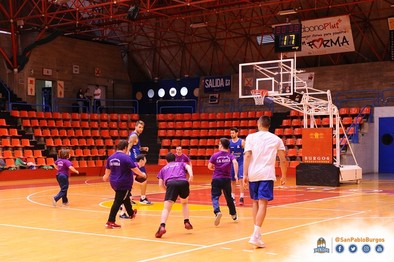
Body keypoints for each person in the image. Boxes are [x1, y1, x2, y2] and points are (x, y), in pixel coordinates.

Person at [243, 116, 287, 248]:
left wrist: (244, 174)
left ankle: (257, 234)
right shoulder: (276, 139)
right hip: (266, 174)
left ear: (258, 124)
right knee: (263, 203)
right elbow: (282, 159)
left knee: (255, 202)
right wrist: (284, 175)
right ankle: (256, 235)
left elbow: (247, 155)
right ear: (269, 125)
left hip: (253, 173)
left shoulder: (250, 137)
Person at [102, 140, 146, 229]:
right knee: (118, 201)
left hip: (114, 182)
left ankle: (131, 213)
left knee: (125, 197)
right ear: (125, 148)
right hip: (124, 183)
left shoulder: (111, 158)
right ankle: (110, 221)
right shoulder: (126, 158)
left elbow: (107, 170)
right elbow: (134, 169)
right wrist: (142, 174)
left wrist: (105, 177)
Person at [155, 152, 193, 238]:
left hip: (171, 183)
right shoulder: (180, 163)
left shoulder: (163, 168)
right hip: (183, 182)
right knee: (184, 202)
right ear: (175, 159)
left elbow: (160, 184)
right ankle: (186, 221)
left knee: (166, 208)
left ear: (166, 161)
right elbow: (188, 166)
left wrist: (167, 190)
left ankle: (162, 226)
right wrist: (191, 175)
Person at [207, 137, 238, 226]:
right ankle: (233, 214)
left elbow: (209, 166)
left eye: (219, 143)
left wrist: (213, 167)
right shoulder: (230, 155)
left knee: (215, 197)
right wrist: (235, 174)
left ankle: (217, 211)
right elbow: (235, 163)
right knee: (229, 197)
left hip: (217, 178)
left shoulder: (215, 155)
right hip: (227, 179)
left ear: (221, 145)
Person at [127, 120, 152, 204]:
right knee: (144, 178)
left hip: (136, 160)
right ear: (135, 127)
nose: (141, 129)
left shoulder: (136, 136)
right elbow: (128, 148)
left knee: (131, 179)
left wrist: (143, 148)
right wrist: (126, 159)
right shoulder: (134, 136)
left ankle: (129, 198)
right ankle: (143, 198)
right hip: (135, 161)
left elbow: (136, 148)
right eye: (139, 127)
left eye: (142, 127)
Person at [119, 154, 148, 219]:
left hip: (123, 182)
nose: (146, 161)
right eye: (145, 159)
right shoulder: (135, 166)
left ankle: (123, 208)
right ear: (141, 160)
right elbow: (132, 179)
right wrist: (140, 183)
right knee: (128, 198)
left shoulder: (135, 165)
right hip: (124, 183)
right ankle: (122, 212)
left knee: (127, 198)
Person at [229, 127, 245, 206]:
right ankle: (233, 197)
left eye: (233, 133)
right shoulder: (229, 143)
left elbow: (246, 152)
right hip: (233, 163)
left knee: (241, 180)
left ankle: (242, 197)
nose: (232, 134)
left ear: (237, 133)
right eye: (231, 133)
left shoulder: (242, 142)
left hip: (241, 162)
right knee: (232, 181)